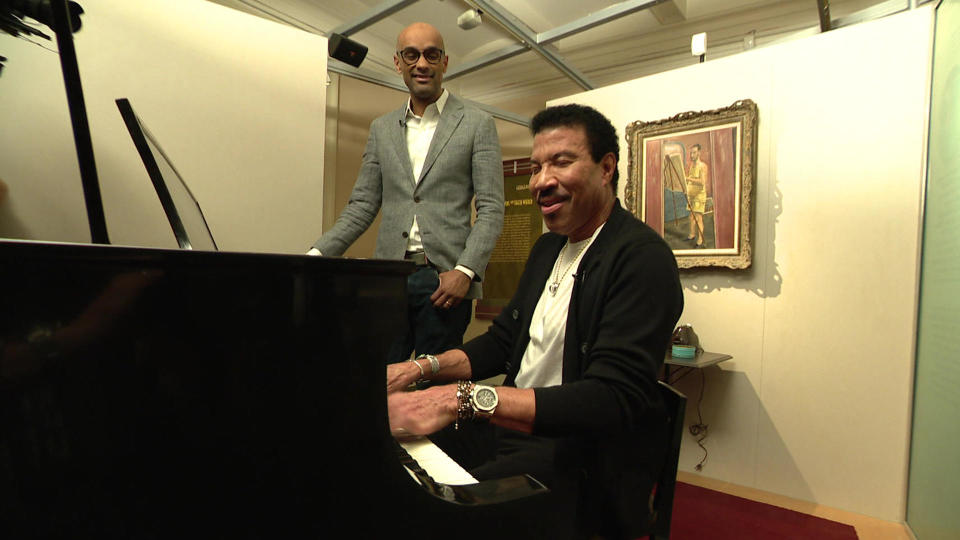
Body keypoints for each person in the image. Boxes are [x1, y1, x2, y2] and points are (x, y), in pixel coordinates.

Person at [387, 104, 683, 539]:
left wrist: (457, 398)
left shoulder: (643, 259)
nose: (541, 181)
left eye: (561, 162)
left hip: (579, 455)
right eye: (536, 167)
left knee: (436, 518)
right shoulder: (548, 249)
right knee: (390, 458)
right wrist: (418, 369)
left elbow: (609, 399)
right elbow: (502, 342)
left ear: (606, 168)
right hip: (507, 429)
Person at [309, 23, 504, 364]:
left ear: (445, 62)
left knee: (433, 392)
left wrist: (466, 271)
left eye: (432, 54)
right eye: (412, 55)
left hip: (444, 284)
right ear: (398, 63)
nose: (422, 64)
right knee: (380, 382)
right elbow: (362, 206)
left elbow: (490, 209)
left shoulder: (477, 124)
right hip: (388, 283)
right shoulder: (381, 129)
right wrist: (314, 256)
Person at [685, 143, 708, 247]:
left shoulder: (702, 166)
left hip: (699, 194)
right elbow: (690, 180)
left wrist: (688, 179)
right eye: (691, 153)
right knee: (691, 216)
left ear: (699, 153)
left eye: (694, 153)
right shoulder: (691, 166)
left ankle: (700, 239)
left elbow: (702, 182)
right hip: (692, 194)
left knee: (698, 217)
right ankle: (692, 234)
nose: (691, 155)